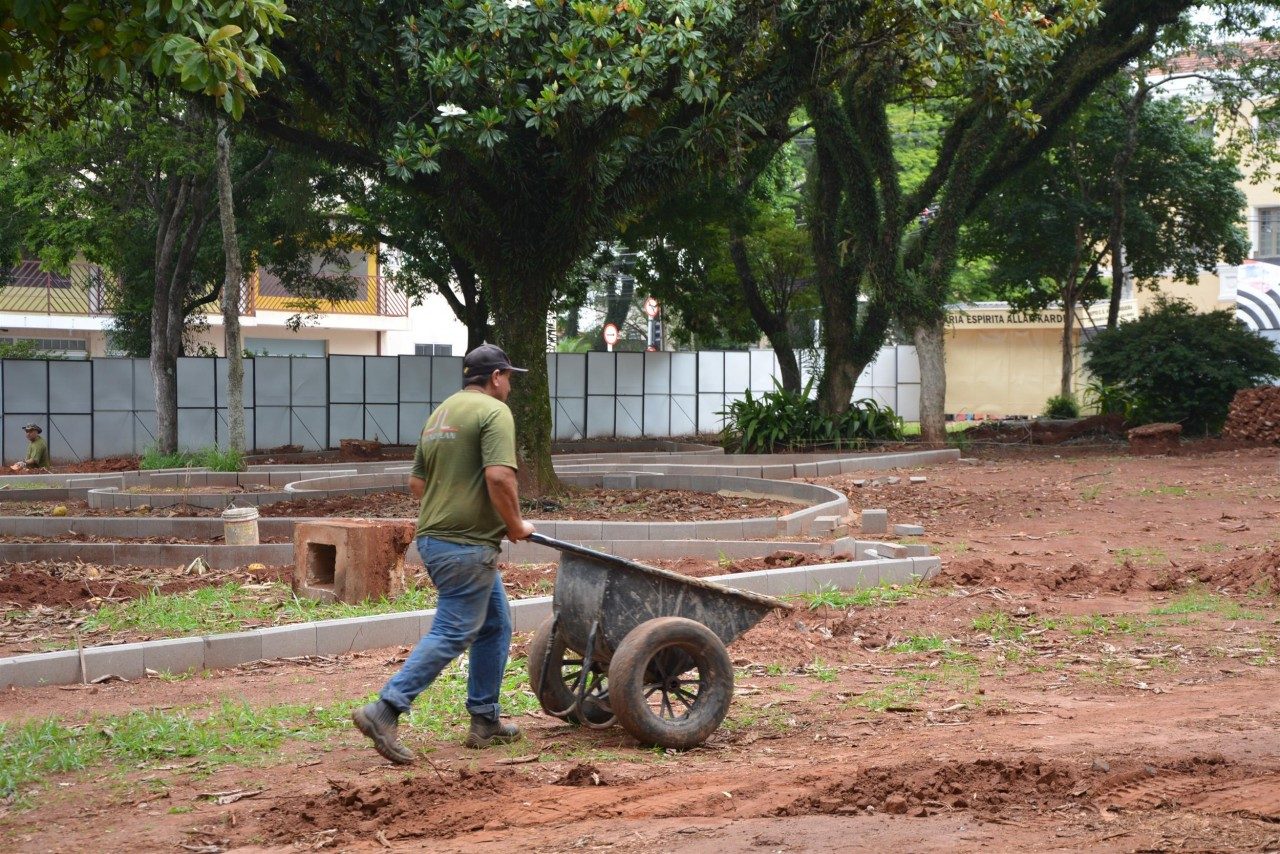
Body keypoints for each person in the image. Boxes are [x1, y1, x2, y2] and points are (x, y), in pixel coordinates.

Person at [353, 344, 536, 764]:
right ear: (495, 377)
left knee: (494, 625)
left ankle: (485, 719)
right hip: (466, 545)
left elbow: (418, 484)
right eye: (508, 377)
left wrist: (454, 500)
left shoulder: (442, 414)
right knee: (454, 629)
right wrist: (516, 525)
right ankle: (385, 710)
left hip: (436, 538)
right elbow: (499, 476)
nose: (509, 385)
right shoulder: (495, 413)